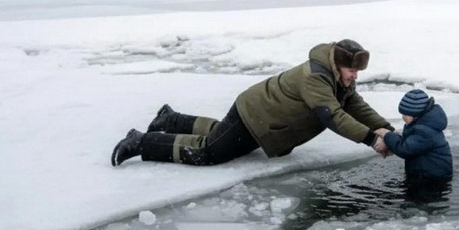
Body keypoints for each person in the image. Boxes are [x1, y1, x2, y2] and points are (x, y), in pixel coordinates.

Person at [111, 39, 395, 167]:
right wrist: (371, 139)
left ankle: (170, 119)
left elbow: (353, 104)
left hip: (266, 119)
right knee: (209, 152)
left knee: (222, 135)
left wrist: (384, 127)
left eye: (357, 71)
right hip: (255, 114)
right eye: (352, 70)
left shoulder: (339, 78)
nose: (355, 76)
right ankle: (141, 142)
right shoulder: (316, 79)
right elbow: (332, 115)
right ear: (339, 64)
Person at [375, 89, 453, 181]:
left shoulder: (424, 132)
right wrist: (393, 138)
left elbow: (404, 149)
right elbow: (409, 143)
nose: (403, 117)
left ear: (417, 114)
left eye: (406, 114)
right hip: (425, 175)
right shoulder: (423, 125)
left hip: (432, 180)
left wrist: (386, 134)